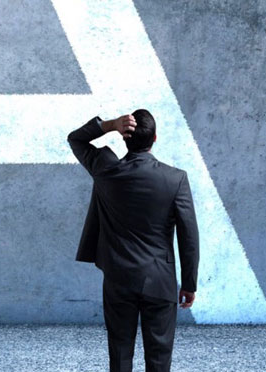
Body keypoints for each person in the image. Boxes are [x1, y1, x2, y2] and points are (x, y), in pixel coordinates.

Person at [67, 109, 200, 372]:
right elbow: (189, 236)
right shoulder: (175, 179)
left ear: (124, 138)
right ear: (155, 138)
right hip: (160, 279)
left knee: (119, 354)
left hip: (118, 278)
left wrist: (109, 125)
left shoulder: (106, 170)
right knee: (159, 360)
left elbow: (76, 139)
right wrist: (189, 283)